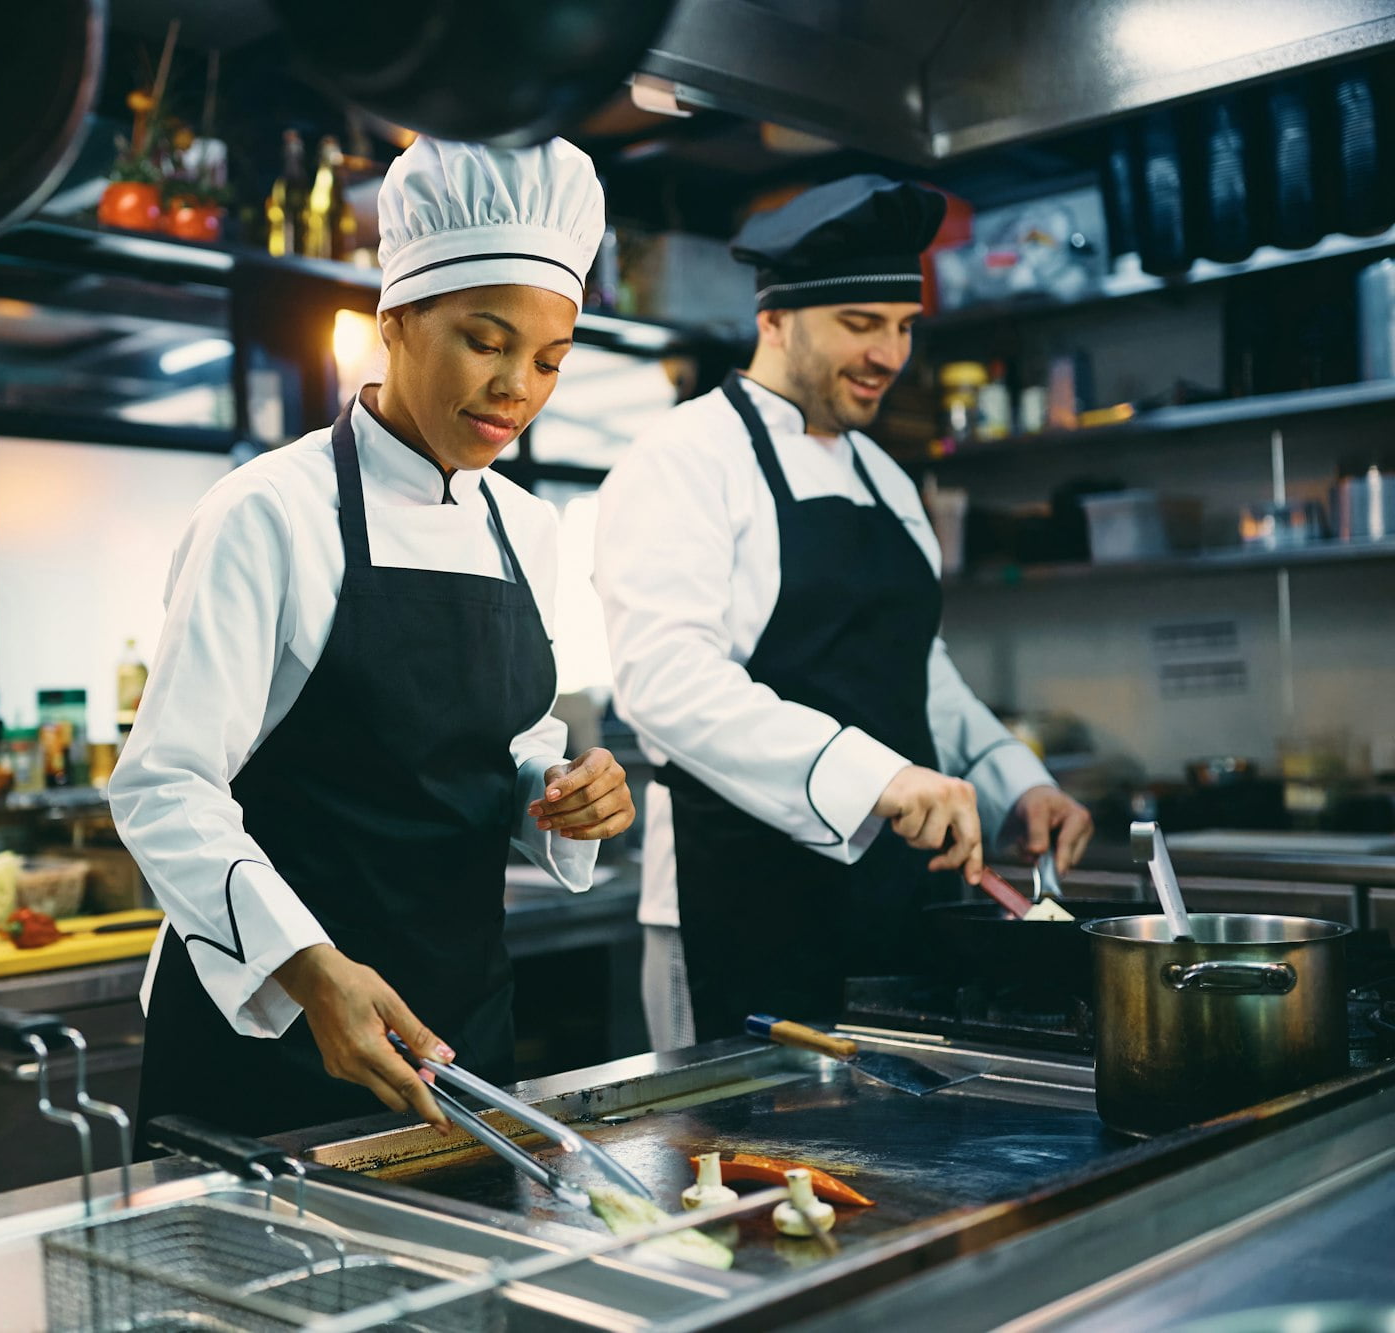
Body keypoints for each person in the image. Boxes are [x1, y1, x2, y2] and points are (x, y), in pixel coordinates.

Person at [110, 135, 635, 1138]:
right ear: (392, 321)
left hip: (455, 1030)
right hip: (268, 1035)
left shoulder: (528, 528)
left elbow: (507, 744)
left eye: (549, 360)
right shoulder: (267, 512)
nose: (517, 386)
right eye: (485, 340)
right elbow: (163, 786)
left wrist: (563, 795)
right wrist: (310, 975)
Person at [592, 175, 1093, 1047]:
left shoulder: (885, 476)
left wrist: (1017, 781)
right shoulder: (682, 457)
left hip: (897, 905)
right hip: (742, 903)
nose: (890, 356)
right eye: (860, 325)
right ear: (775, 319)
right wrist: (874, 776)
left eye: (902, 327)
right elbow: (664, 681)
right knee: (742, 1169)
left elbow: (917, 667)